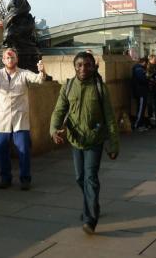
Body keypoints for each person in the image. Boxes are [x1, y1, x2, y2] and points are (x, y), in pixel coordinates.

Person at [49, 52, 119, 235]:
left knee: (90, 177)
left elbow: (110, 118)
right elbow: (58, 110)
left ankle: (90, 218)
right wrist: (53, 129)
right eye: (79, 65)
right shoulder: (68, 86)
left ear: (93, 67)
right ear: (74, 66)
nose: (83, 69)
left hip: (94, 140)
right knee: (80, 177)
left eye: (87, 65)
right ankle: (92, 203)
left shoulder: (100, 87)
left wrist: (113, 144)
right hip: (75, 140)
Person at [0, 48, 46, 190]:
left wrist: (42, 72)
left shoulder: (24, 73)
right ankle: (5, 178)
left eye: (12, 57)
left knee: (23, 151)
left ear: (16, 59)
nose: (10, 60)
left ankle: (25, 179)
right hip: (2, 120)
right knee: (1, 151)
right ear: (3, 60)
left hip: (20, 119)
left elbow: (38, 80)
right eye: (7, 58)